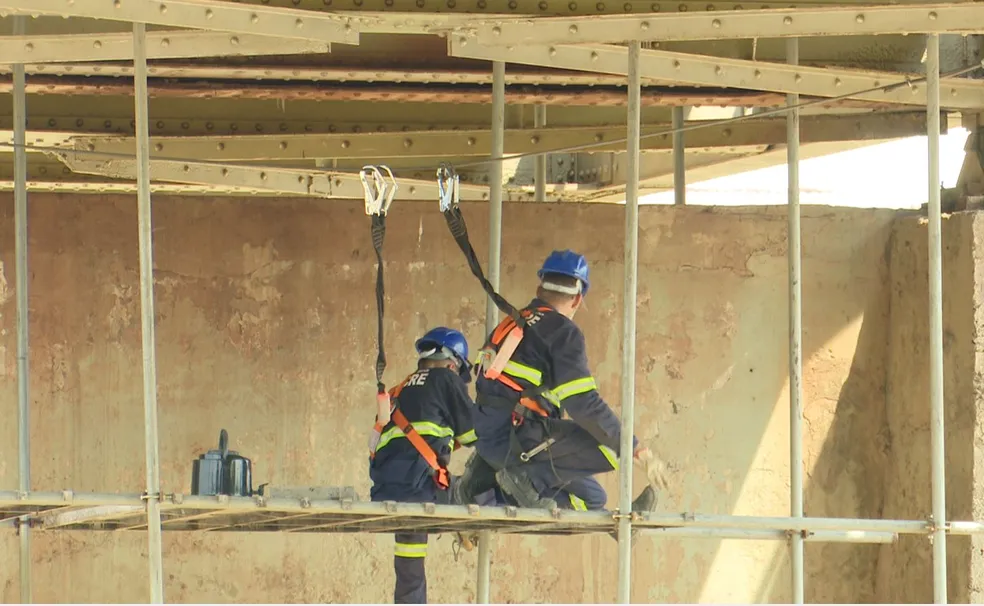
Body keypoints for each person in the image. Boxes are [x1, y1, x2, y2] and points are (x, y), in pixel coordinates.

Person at [453, 250, 666, 514]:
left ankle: (481, 489)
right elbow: (582, 403)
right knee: (612, 447)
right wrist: (637, 449)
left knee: (593, 499)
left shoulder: (511, 323)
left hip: (491, 441)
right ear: (577, 299)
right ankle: (528, 479)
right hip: (518, 439)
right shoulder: (562, 332)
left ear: (539, 288)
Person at [368, 327, 479, 604]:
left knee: (409, 569)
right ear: (453, 363)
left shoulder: (398, 390)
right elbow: (476, 436)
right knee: (487, 479)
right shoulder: (446, 380)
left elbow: (404, 441)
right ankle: (465, 522)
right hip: (423, 490)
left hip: (387, 491)